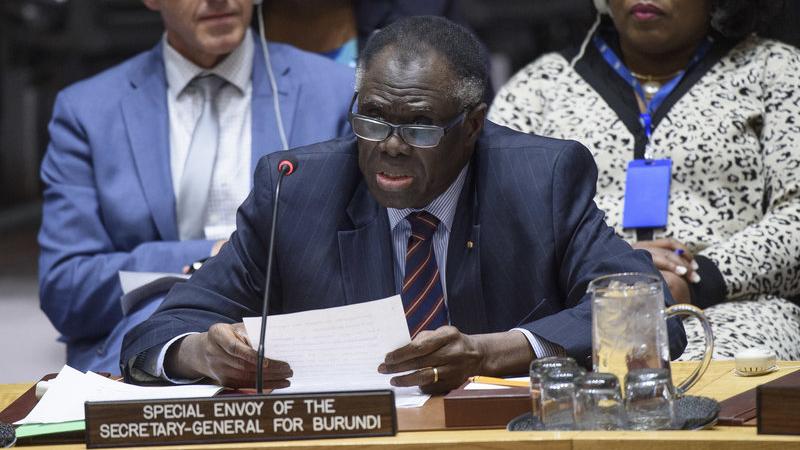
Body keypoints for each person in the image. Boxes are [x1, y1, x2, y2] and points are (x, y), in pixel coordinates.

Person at [121, 16, 686, 392]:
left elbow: (647, 312)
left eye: (419, 126)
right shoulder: (296, 189)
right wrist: (199, 353)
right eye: (371, 119)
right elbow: (161, 329)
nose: (389, 146)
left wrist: (493, 352)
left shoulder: (540, 179)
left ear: (472, 126)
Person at [38, 0, 355, 373]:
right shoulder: (88, 111)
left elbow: (361, 263)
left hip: (294, 355)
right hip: (143, 359)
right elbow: (67, 289)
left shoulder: (335, 92)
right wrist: (211, 256)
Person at [489, 0, 800, 359]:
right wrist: (615, 262)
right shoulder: (537, 88)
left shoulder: (776, 71)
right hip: (579, 320)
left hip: (735, 311)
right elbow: (499, 226)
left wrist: (696, 278)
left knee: (691, 378)